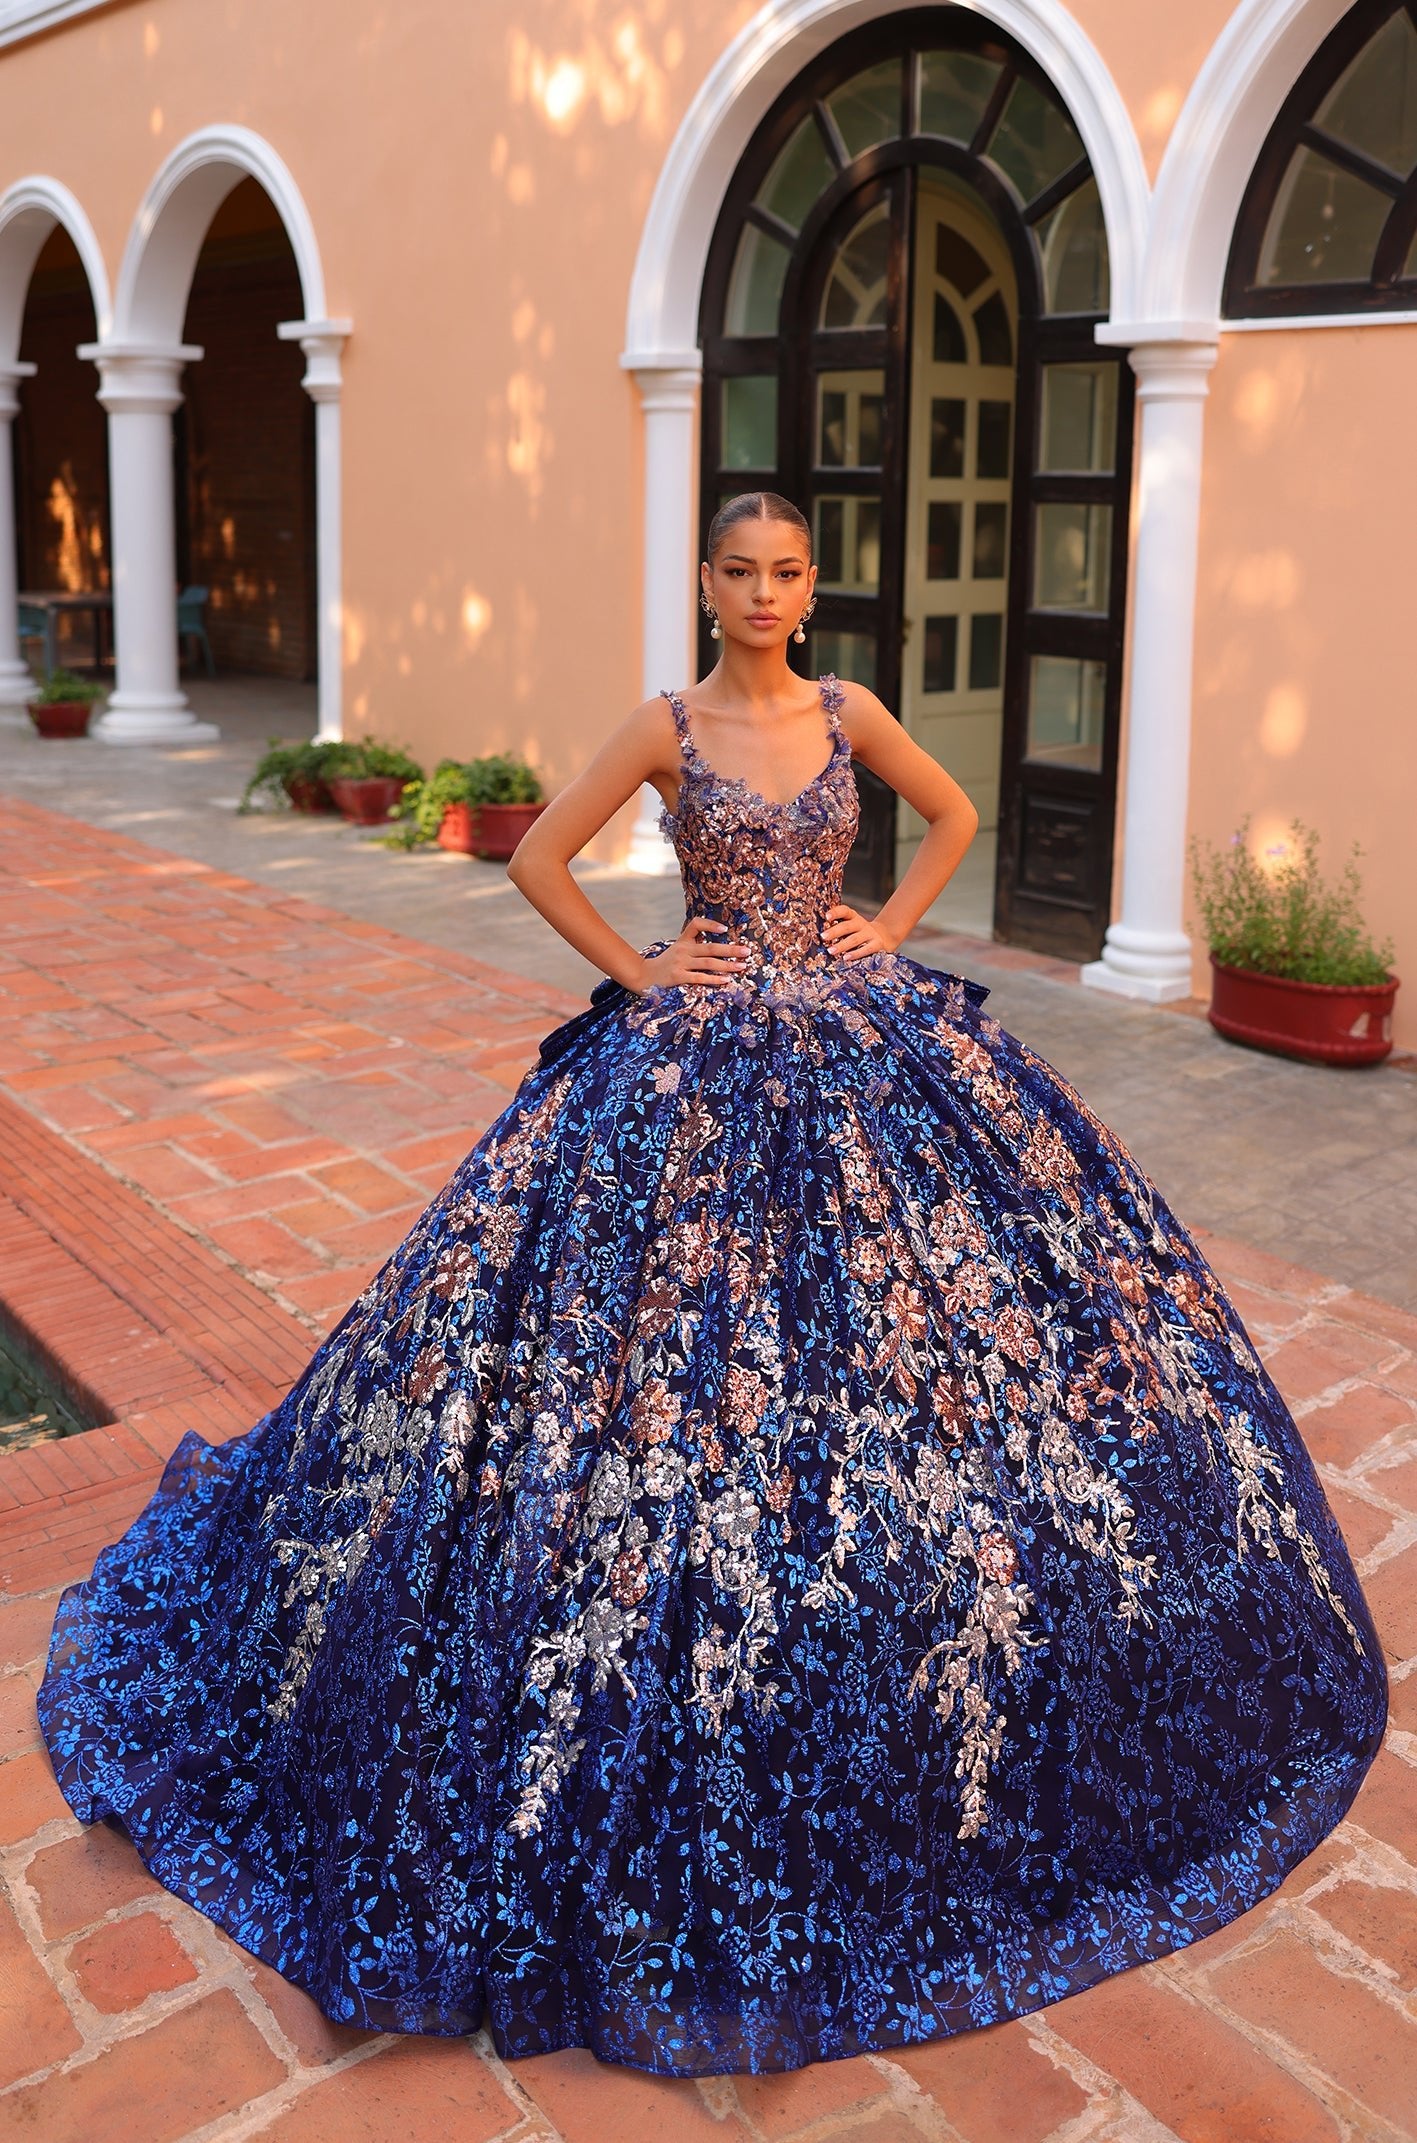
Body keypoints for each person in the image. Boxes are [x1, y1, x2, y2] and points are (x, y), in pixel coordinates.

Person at [36, 490, 1387, 2079]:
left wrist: (880, 927)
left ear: (810, 592)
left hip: (857, 1031)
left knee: (912, 1329)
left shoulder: (847, 709)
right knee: (642, 1346)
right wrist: (636, 968)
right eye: (737, 571)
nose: (761, 592)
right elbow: (541, 856)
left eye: (785, 572)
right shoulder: (666, 722)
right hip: (689, 1052)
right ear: (704, 584)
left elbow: (947, 816)